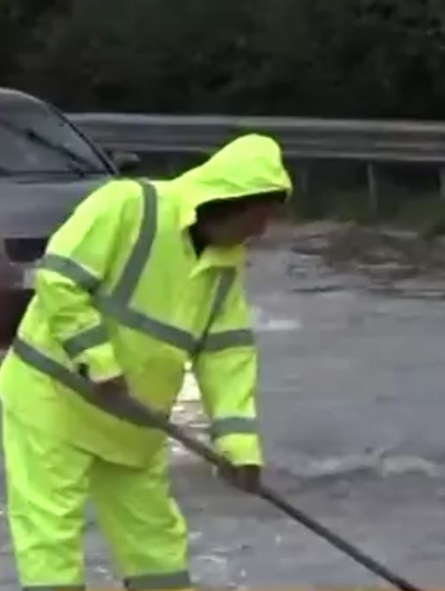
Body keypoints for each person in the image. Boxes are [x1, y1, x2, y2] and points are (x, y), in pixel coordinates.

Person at [0, 133, 292, 590]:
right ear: (229, 201)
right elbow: (59, 279)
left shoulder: (223, 266)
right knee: (51, 531)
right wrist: (98, 361)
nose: (262, 231)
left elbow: (227, 358)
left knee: (154, 539)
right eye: (260, 217)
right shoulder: (127, 205)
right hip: (52, 399)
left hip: (133, 422)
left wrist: (240, 450)